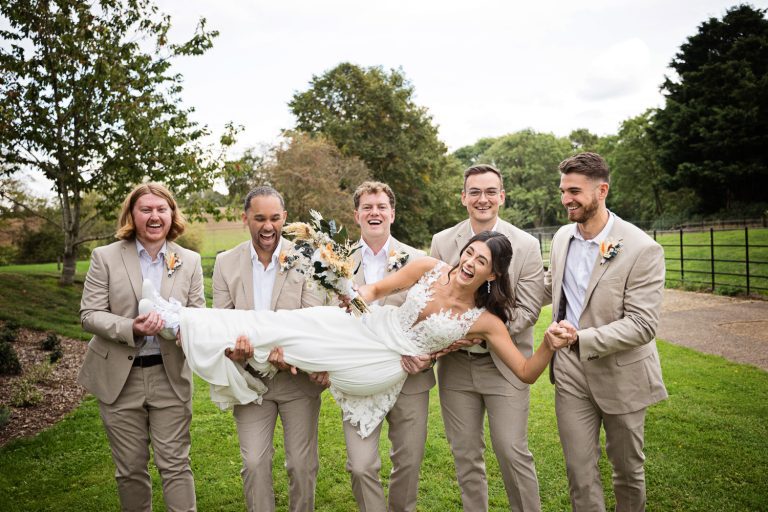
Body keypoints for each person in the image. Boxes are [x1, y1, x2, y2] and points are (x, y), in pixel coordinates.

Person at [140, 232, 567, 441]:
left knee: (292, 340)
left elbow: (527, 372)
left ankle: (186, 325)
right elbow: (376, 291)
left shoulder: (485, 321)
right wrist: (352, 290)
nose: (470, 262)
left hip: (383, 365)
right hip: (371, 326)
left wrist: (549, 342)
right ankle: (183, 320)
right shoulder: (428, 267)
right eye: (470, 252)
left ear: (493, 274)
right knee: (289, 326)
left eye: (482, 261)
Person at [544, 152, 667, 511]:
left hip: (622, 373)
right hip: (569, 371)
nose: (566, 199)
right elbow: (549, 286)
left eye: (575, 191)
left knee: (627, 471)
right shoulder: (562, 237)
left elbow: (643, 324)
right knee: (578, 471)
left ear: (602, 190)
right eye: (563, 190)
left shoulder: (642, 248)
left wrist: (581, 338)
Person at [78, 182, 204, 512]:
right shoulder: (105, 257)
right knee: (130, 471)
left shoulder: (187, 260)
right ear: (132, 215)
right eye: (145, 209)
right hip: (120, 378)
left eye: (162, 209)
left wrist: (182, 329)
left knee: (176, 464)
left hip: (170, 375)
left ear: (172, 214)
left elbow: (199, 315)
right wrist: (129, 327)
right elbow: (89, 314)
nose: (154, 216)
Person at [430, 164, 544, 511]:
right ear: (464, 197)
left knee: (512, 450)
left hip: (505, 366)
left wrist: (481, 332)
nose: (483, 199)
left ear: (502, 197)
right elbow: (433, 296)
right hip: (456, 368)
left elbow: (529, 310)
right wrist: (449, 333)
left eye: (490, 191)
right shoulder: (442, 241)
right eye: (475, 192)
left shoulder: (525, 245)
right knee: (465, 455)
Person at [211, 186, 327, 512]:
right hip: (249, 382)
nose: (267, 226)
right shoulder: (225, 263)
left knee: (301, 466)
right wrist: (234, 351)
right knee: (254, 463)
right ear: (245, 218)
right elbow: (223, 324)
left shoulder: (306, 258)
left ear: (285, 219)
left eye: (275, 218)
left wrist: (291, 352)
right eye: (259, 218)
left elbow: (312, 320)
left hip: (296, 378)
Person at [344, 181, 429, 512]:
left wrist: (427, 357)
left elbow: (432, 316)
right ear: (357, 215)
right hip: (359, 378)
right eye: (367, 207)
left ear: (392, 213)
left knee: (408, 462)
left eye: (381, 207)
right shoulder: (335, 262)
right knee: (362, 466)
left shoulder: (418, 259)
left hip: (409, 376)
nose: (374, 213)